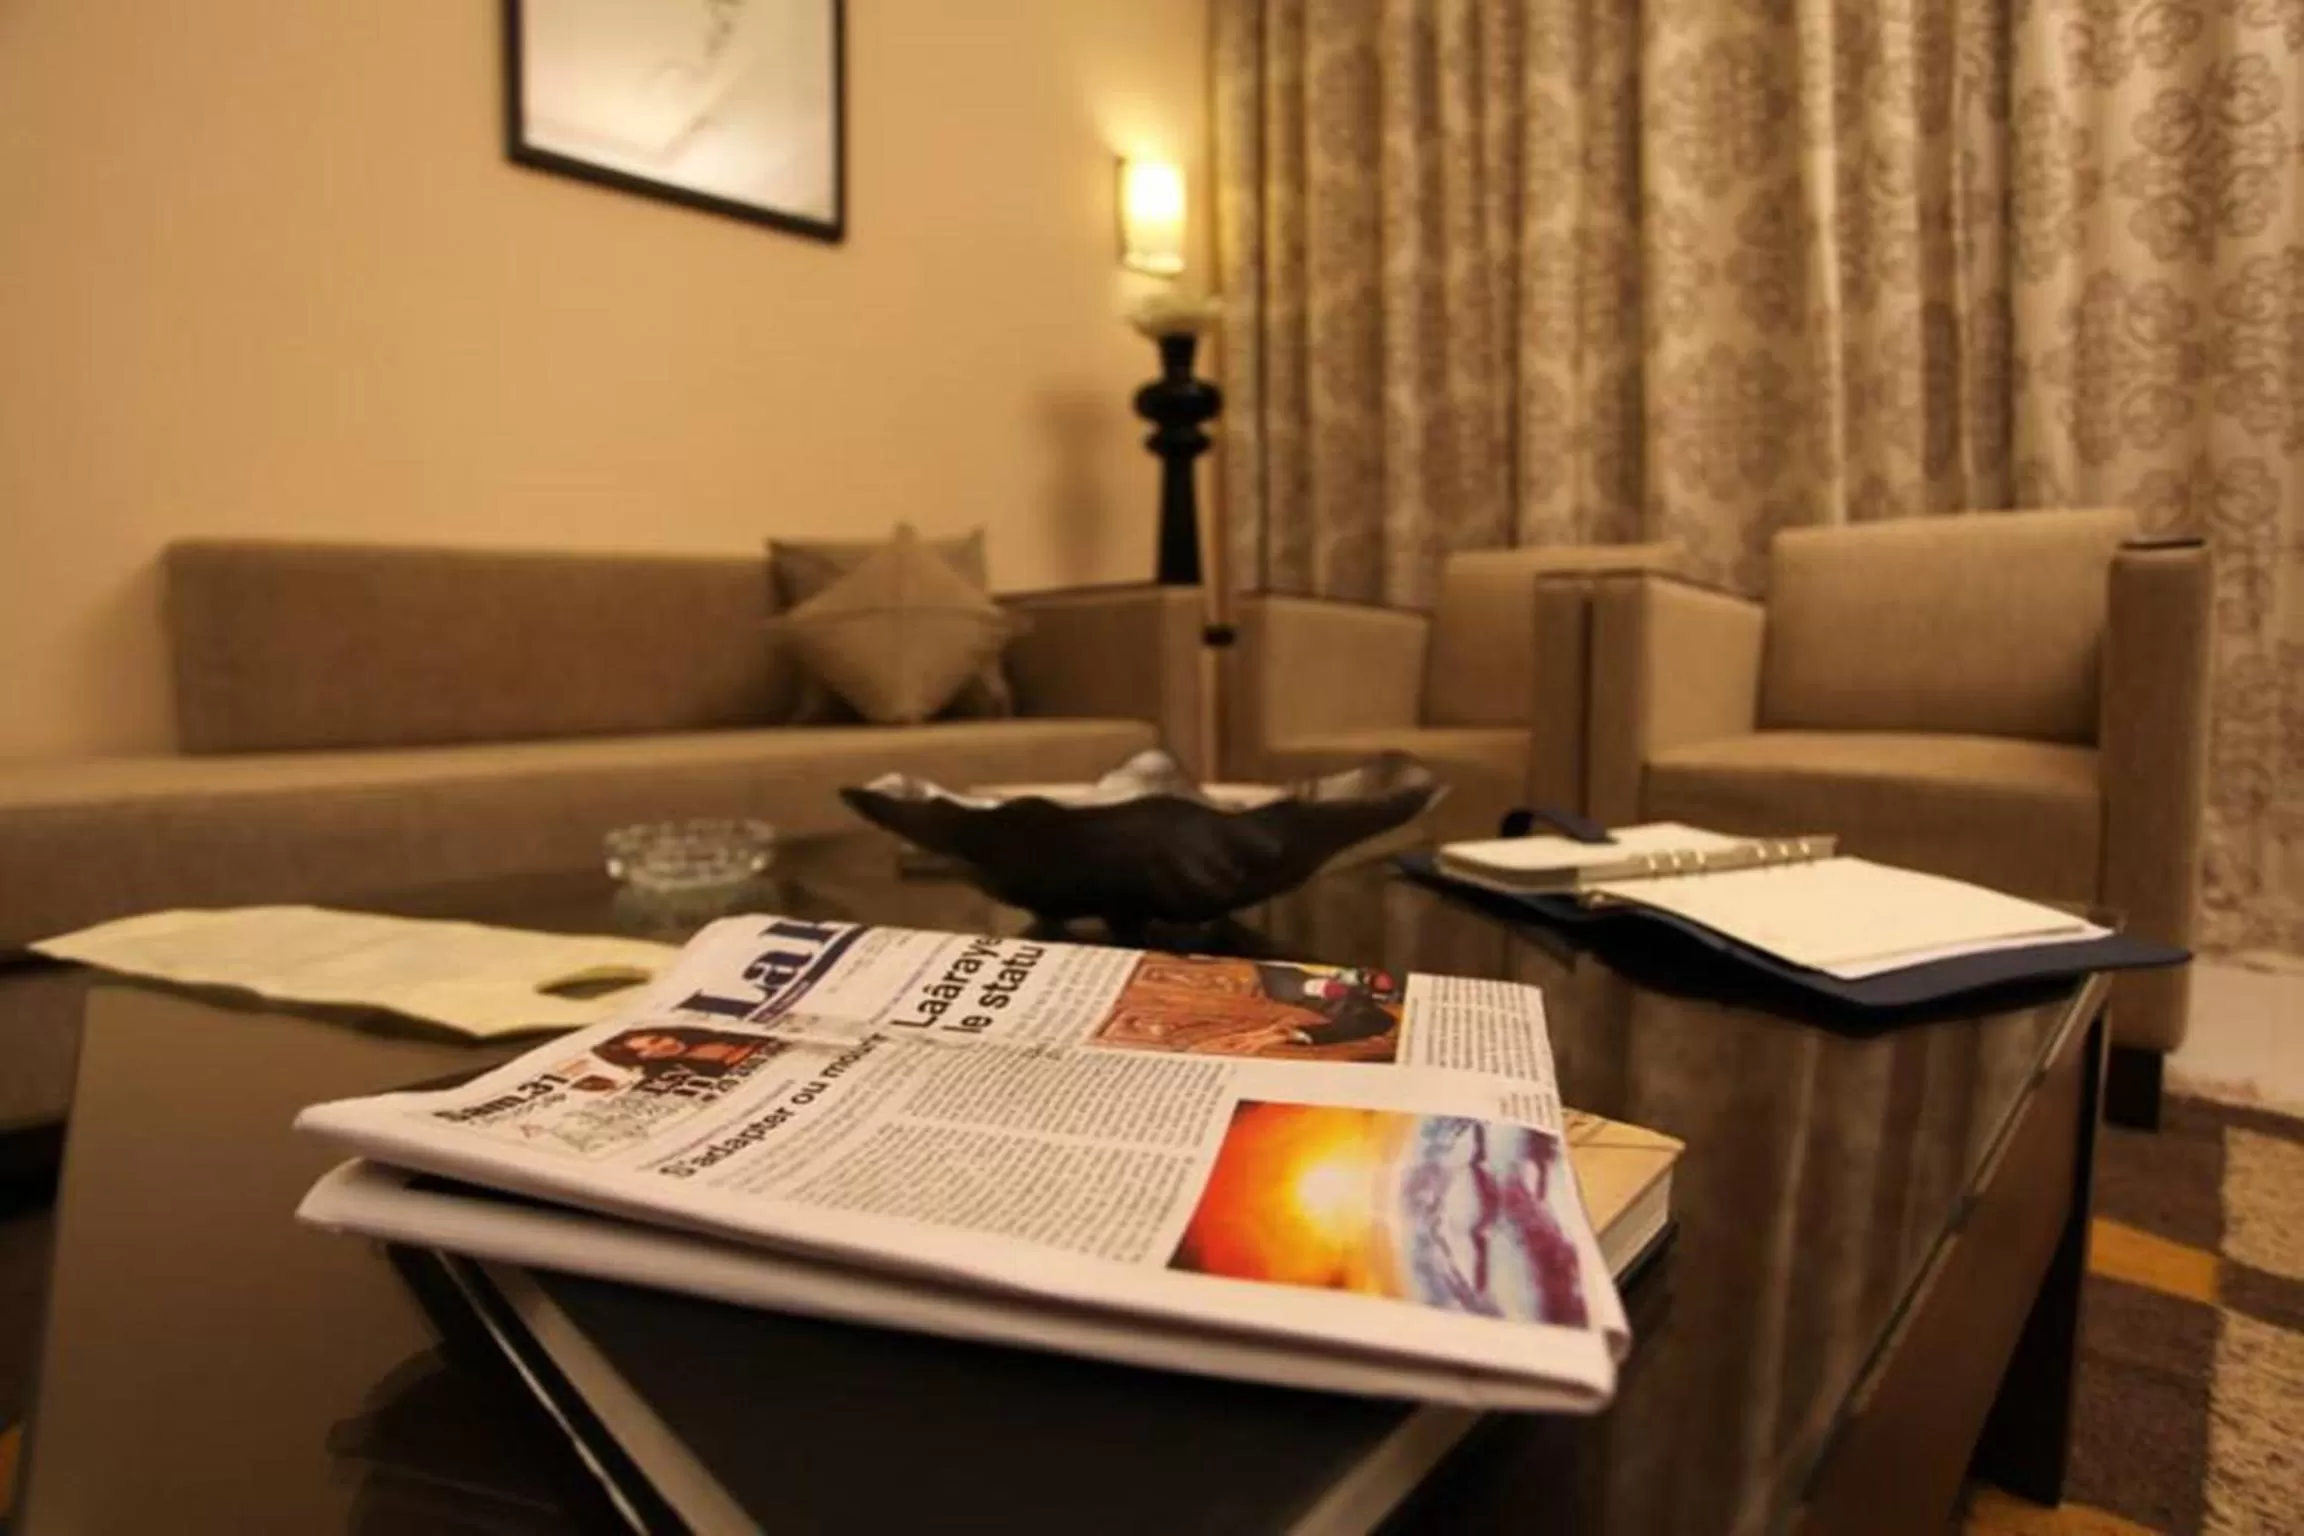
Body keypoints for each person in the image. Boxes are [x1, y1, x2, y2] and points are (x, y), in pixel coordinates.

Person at [594, 1025, 775, 1080]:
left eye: (658, 1039)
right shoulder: (681, 1074)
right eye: (650, 1049)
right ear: (643, 1059)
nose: (664, 1046)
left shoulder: (711, 1033)